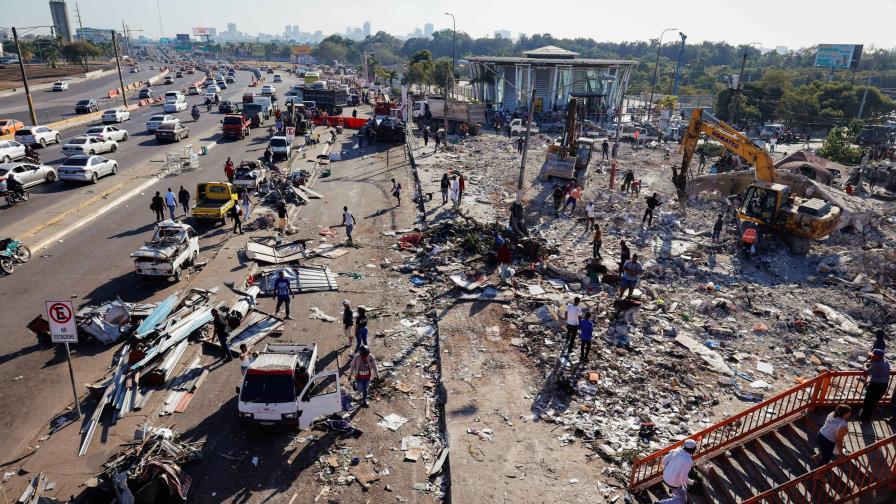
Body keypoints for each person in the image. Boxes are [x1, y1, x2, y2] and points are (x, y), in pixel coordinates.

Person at [658, 439, 697, 504]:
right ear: (693, 449)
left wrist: (669, 470)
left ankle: (672, 490)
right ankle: (661, 503)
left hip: (665, 476)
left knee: (683, 487)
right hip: (674, 483)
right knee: (682, 501)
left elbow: (664, 461)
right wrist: (692, 482)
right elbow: (683, 477)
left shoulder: (675, 451)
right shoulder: (688, 460)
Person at [860, 349, 890, 421]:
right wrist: (871, 362)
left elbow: (866, 371)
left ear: (878, 357)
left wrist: (864, 364)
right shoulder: (885, 361)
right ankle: (867, 417)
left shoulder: (878, 364)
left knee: (868, 402)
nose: (871, 357)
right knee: (873, 402)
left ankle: (864, 417)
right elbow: (874, 362)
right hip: (883, 385)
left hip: (876, 386)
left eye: (873, 356)